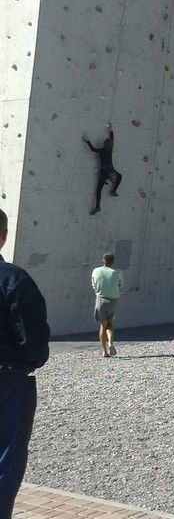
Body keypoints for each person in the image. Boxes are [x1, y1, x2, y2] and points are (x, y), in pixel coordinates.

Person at [0, 208, 50, 515]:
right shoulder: (14, 280)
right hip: (7, 380)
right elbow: (33, 343)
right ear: (3, 236)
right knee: (5, 461)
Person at [85, 123, 122, 215]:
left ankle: (98, 206)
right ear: (111, 146)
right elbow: (112, 139)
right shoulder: (110, 150)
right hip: (110, 172)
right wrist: (111, 129)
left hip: (103, 173)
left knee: (99, 190)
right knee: (120, 176)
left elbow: (93, 149)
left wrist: (87, 140)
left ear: (104, 145)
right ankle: (113, 191)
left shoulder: (102, 150)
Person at [91, 253, 123, 358]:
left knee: (102, 326)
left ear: (103, 260)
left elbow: (93, 284)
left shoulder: (96, 271)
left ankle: (104, 351)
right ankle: (110, 343)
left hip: (101, 300)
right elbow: (120, 285)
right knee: (110, 324)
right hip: (113, 300)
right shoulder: (117, 272)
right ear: (113, 261)